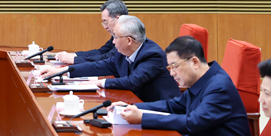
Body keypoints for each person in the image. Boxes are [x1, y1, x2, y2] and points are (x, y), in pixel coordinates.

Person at [112, 36, 255, 136]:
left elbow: (193, 122)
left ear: (194, 62)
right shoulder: (204, 80)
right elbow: (172, 105)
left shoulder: (219, 87)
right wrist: (133, 107)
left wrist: (142, 118)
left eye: (175, 66)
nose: (172, 73)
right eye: (169, 68)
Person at [34, 15, 179, 102]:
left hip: (162, 109)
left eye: (115, 37)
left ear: (129, 40)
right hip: (135, 103)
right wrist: (60, 72)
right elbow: (99, 66)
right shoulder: (123, 52)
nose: (113, 42)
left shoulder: (152, 54)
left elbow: (133, 82)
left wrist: (99, 82)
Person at [54, 0, 128, 64]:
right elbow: (101, 52)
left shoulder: (126, 36)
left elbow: (107, 58)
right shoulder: (117, 34)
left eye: (106, 22)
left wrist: (74, 60)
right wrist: (73, 55)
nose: (105, 27)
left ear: (118, 19)